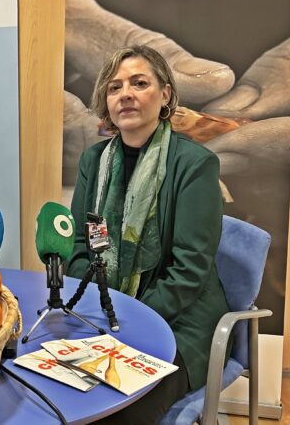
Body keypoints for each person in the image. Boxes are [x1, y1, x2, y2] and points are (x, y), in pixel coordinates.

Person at [66, 45, 231, 424]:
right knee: (58, 394)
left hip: (179, 322)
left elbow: (189, 271)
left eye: (139, 83)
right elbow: (80, 245)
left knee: (119, 413)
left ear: (165, 95)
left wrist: (128, 320)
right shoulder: (94, 161)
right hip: (104, 313)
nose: (125, 94)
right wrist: (95, 307)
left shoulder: (195, 164)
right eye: (115, 87)